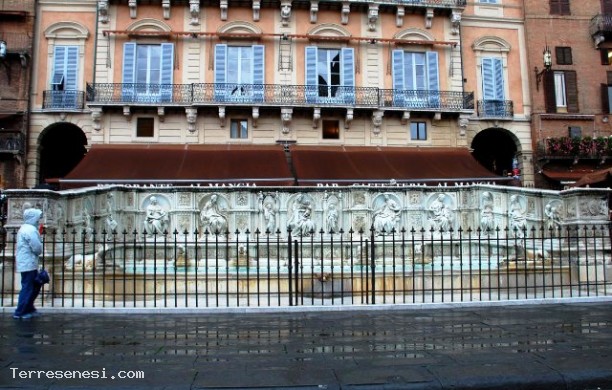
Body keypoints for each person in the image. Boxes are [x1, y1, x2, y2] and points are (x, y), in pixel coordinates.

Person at [13, 208, 43, 320]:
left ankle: (29, 308)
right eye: (37, 218)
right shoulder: (30, 230)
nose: (38, 220)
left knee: (33, 286)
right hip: (28, 263)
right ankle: (20, 311)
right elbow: (37, 247)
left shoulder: (26, 228)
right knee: (28, 287)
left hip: (27, 262)